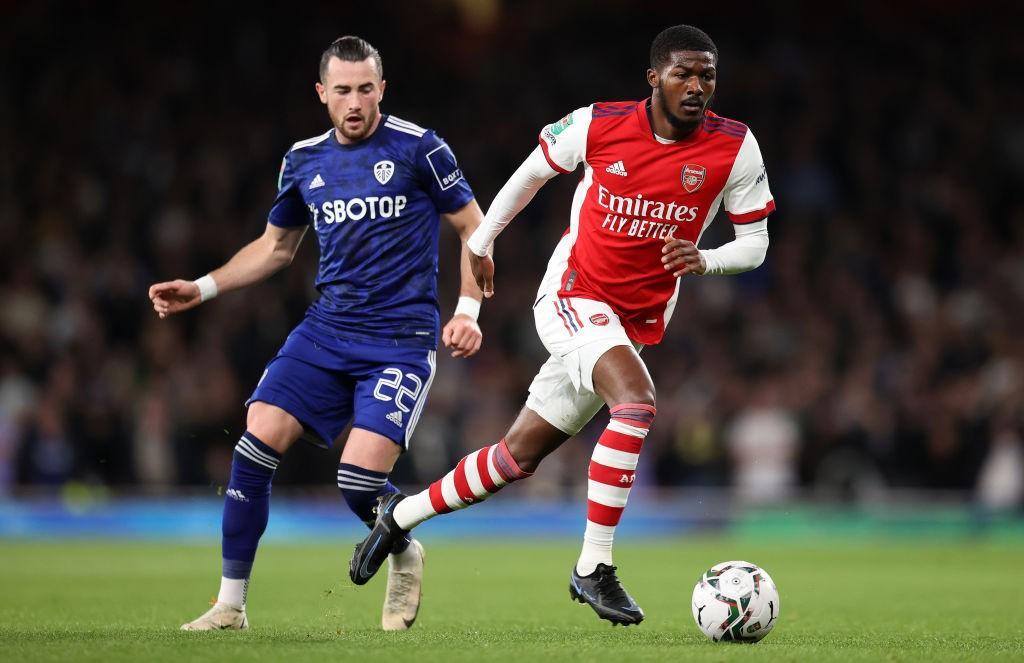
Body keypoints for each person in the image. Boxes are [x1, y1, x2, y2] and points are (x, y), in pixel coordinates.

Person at [349, 25, 775, 626]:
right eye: (683, 72)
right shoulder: (597, 124)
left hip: (633, 319)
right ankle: (593, 567)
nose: (697, 86)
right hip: (574, 295)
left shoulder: (735, 147)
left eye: (707, 75)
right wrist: (483, 241)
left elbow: (755, 243)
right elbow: (530, 174)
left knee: (515, 457)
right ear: (653, 77)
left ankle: (401, 515)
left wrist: (706, 258)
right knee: (636, 403)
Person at [148, 35, 486, 632]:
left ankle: (404, 549)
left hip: (400, 340)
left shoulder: (420, 148)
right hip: (326, 332)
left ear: (382, 89)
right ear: (321, 94)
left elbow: (473, 227)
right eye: (342, 90)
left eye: (364, 89)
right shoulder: (303, 160)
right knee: (256, 441)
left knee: (357, 482)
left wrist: (467, 311)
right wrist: (200, 288)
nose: (354, 102)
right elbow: (276, 248)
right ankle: (230, 605)